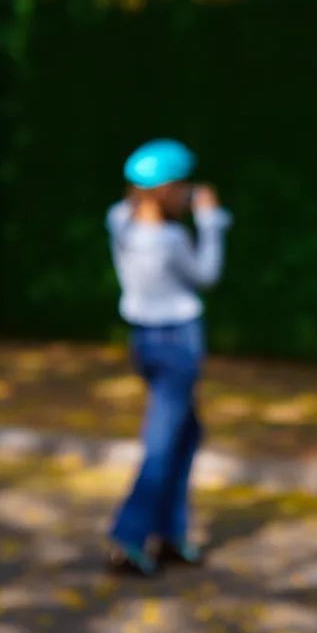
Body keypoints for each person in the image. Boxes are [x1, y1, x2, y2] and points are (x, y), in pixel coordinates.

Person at [104, 138, 231, 577]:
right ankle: (130, 536)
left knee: (184, 435)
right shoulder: (172, 238)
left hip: (144, 341)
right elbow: (208, 275)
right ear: (168, 189)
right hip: (177, 344)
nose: (188, 192)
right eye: (183, 186)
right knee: (163, 443)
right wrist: (211, 220)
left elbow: (125, 206)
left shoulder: (120, 224)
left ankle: (171, 535)